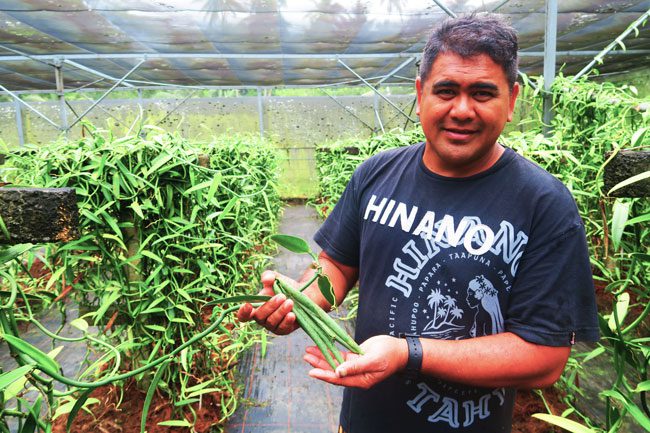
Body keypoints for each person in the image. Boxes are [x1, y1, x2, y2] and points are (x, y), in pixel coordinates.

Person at [237, 12, 599, 433]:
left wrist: (407, 352)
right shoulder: (377, 174)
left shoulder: (544, 203)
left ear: (512, 100)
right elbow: (335, 266)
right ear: (420, 93)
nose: (461, 110)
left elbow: (544, 357)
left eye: (483, 93)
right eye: (445, 90)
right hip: (362, 420)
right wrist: (297, 302)